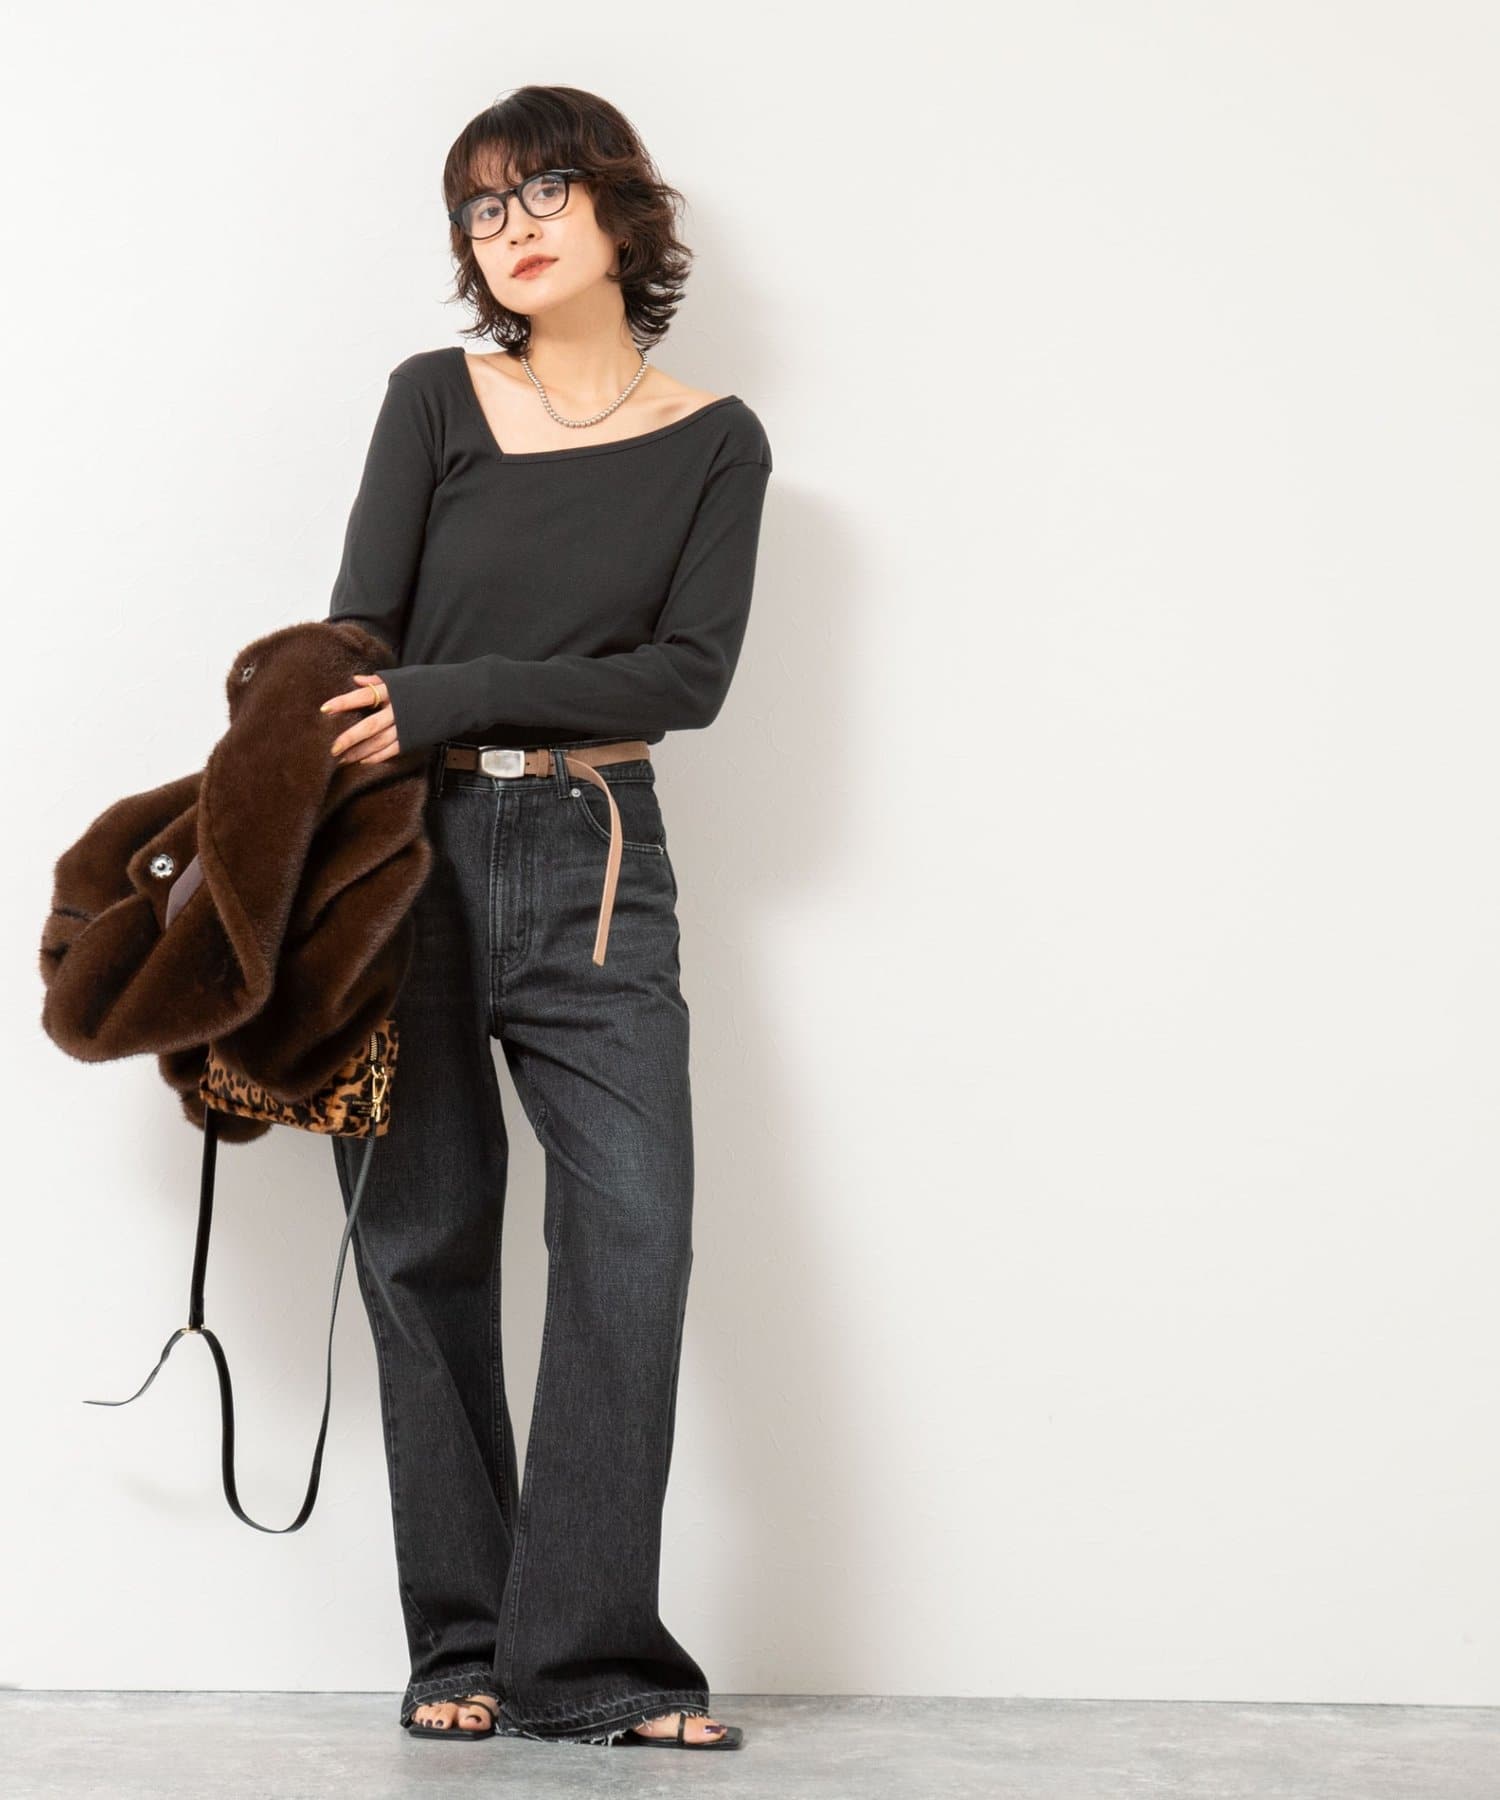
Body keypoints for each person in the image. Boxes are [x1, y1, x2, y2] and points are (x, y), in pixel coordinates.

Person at [316, 84, 770, 1751]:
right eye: (480, 208)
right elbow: (358, 644)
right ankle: (463, 1646)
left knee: (634, 1237)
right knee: (422, 1242)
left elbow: (685, 679)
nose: (507, 229)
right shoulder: (434, 398)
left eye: (541, 191)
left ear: (622, 207)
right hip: (408, 855)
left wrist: (457, 690)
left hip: (598, 856)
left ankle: (589, 1663)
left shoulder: (717, 439)